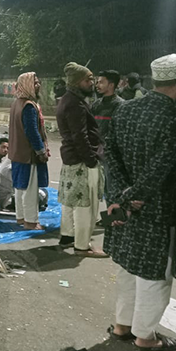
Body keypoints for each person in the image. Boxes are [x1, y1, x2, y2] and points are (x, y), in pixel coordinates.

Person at [105, 54, 176, 351]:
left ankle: (122, 326)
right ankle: (145, 336)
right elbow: (160, 168)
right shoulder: (175, 119)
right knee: (155, 272)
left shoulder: (126, 110)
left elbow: (110, 153)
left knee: (129, 266)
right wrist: (134, 196)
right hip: (156, 209)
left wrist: (121, 195)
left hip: (128, 208)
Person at [56, 62, 105, 257]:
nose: (91, 83)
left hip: (71, 158)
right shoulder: (75, 103)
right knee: (86, 204)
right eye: (88, 79)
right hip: (81, 160)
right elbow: (80, 136)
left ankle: (67, 236)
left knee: (70, 200)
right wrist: (91, 160)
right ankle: (82, 246)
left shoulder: (69, 100)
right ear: (77, 82)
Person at [8, 72, 49, 230]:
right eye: (35, 83)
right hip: (28, 154)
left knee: (20, 187)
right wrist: (41, 151)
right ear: (27, 85)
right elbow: (32, 132)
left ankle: (21, 218)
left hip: (17, 153)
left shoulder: (16, 103)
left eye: (38, 82)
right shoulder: (29, 106)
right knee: (31, 189)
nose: (38, 86)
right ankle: (31, 222)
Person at [91, 70, 124, 140]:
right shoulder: (96, 104)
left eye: (101, 82)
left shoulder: (121, 105)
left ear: (111, 85)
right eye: (97, 82)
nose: (97, 85)